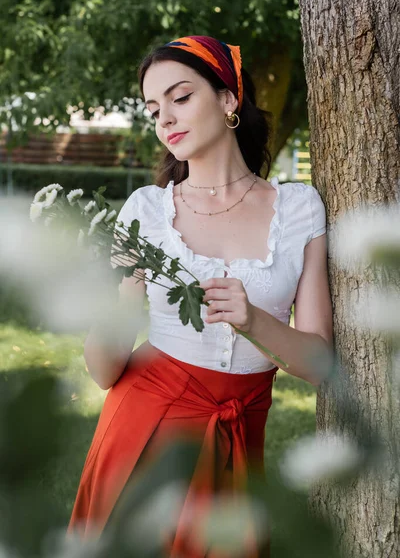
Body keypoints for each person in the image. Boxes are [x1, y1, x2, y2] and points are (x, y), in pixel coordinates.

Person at [67, 35, 333, 556]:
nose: (164, 118)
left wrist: (254, 320)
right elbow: (102, 372)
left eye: (180, 96)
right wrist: (126, 301)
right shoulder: (145, 210)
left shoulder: (300, 208)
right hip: (143, 426)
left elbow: (321, 362)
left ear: (229, 99)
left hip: (238, 434)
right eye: (153, 108)